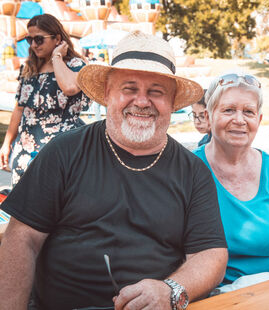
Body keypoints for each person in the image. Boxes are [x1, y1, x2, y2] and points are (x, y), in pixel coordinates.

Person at [0, 31, 228, 310]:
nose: (142, 102)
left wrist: (171, 290)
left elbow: (210, 253)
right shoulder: (64, 152)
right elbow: (21, 241)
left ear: (172, 101)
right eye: (129, 88)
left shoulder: (193, 171)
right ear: (108, 94)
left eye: (156, 91)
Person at [193, 72, 269, 291]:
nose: (239, 120)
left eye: (248, 112)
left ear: (258, 120)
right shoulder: (188, 170)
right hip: (211, 295)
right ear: (208, 117)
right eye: (228, 110)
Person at [0, 14, 91, 186]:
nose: (34, 45)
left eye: (39, 39)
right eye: (30, 39)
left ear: (57, 39)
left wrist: (57, 57)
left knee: (54, 203)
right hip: (26, 149)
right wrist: (6, 144)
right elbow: (19, 108)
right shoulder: (30, 68)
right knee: (21, 204)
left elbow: (70, 88)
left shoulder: (76, 65)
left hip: (62, 150)